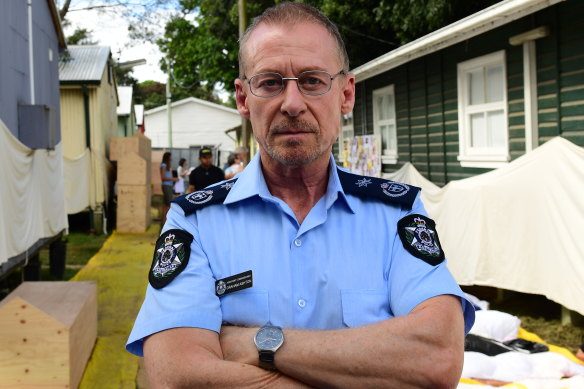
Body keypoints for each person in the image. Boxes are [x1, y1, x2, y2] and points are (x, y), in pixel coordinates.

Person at [127, 3, 474, 388]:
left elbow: (437, 358)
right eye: (270, 82)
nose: (292, 104)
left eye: (312, 81)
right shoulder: (195, 223)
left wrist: (257, 342)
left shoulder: (396, 214)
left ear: (345, 94)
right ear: (243, 98)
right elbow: (178, 376)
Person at [159, 151, 178, 225]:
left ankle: (164, 222)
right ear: (168, 157)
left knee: (165, 205)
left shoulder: (167, 165)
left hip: (168, 185)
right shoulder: (163, 165)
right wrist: (173, 179)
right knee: (169, 204)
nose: (172, 158)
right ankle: (167, 222)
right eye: (171, 156)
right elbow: (163, 177)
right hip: (166, 186)